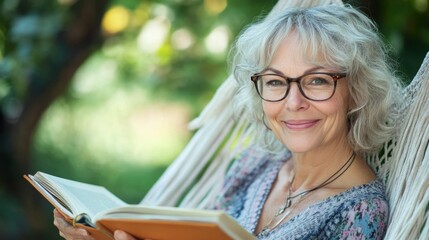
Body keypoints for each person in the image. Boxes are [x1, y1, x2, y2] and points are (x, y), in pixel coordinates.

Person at [53, 4, 403, 240]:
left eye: (317, 81)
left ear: (356, 91)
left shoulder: (359, 212)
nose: (293, 103)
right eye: (276, 82)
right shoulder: (253, 166)